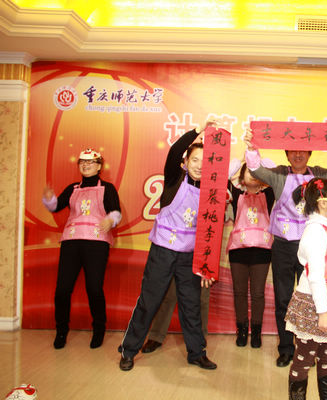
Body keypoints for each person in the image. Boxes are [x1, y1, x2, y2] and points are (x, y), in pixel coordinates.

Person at [243, 128, 327, 367]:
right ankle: (285, 349)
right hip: (283, 246)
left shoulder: (319, 175)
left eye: (303, 150)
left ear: (310, 152)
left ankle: (308, 348)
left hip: (312, 246)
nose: (298, 154)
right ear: (286, 153)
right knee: (283, 299)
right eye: (293, 150)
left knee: (312, 299)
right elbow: (256, 170)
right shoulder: (279, 174)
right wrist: (252, 149)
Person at [118, 122, 217, 372]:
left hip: (189, 256)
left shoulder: (211, 190)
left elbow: (210, 231)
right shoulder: (175, 178)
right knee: (149, 301)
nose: (199, 165)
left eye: (205, 161)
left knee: (191, 304)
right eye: (195, 160)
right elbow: (174, 151)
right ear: (186, 161)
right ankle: (129, 350)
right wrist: (197, 131)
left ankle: (196, 353)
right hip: (163, 251)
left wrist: (206, 265)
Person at [42, 148, 121, 350]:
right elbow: (56, 206)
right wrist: (49, 198)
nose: (85, 165)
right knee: (62, 289)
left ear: (99, 166)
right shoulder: (73, 188)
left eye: (90, 162)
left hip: (96, 242)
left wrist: (110, 220)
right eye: (82, 162)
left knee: (94, 288)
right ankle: (61, 330)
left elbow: (116, 212)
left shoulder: (107, 188)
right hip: (71, 240)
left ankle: (99, 329)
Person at [285, 178, 327, 400]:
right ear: (323, 203)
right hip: (315, 305)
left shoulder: (325, 228)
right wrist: (322, 313)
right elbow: (315, 276)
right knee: (304, 359)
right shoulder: (315, 232)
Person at [226, 162, 275, 348]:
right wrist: (243, 158)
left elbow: (273, 171)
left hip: (261, 250)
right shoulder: (236, 194)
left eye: (257, 172)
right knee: (239, 293)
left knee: (258, 294)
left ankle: (256, 332)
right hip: (238, 250)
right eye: (249, 171)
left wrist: (258, 161)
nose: (253, 174)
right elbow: (224, 176)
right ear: (242, 176)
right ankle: (241, 330)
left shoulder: (268, 194)